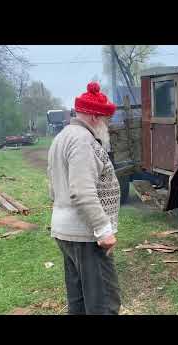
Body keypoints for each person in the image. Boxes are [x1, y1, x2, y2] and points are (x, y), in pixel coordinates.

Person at [47, 82, 121, 315]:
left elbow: (53, 187)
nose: (106, 126)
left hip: (65, 231)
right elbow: (81, 190)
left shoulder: (62, 137)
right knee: (104, 304)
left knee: (78, 301)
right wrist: (102, 229)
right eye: (105, 120)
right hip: (86, 235)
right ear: (94, 117)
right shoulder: (83, 141)